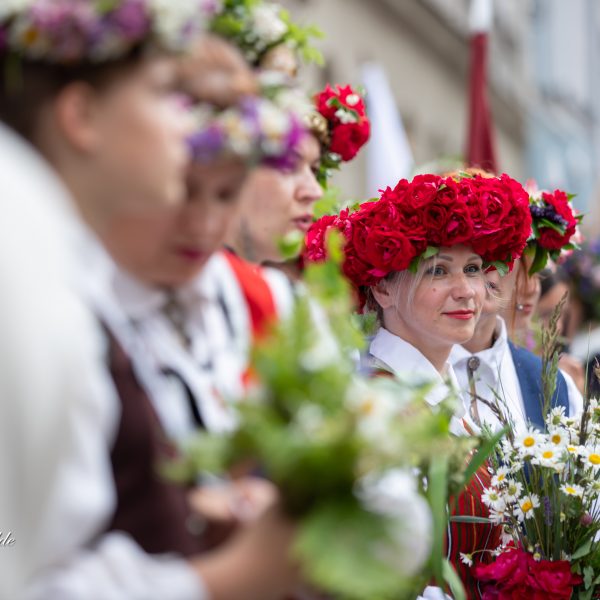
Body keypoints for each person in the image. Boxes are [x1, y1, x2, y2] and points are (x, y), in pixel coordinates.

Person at [0, 3, 297, 598]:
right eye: (165, 93)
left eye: (225, 193)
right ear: (81, 115)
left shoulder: (53, 257)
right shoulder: (24, 267)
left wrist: (195, 513)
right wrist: (230, 577)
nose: (185, 127)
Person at [304, 172, 532, 599]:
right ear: (382, 289)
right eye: (438, 270)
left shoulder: (444, 394)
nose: (466, 291)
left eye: (472, 269)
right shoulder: (375, 404)